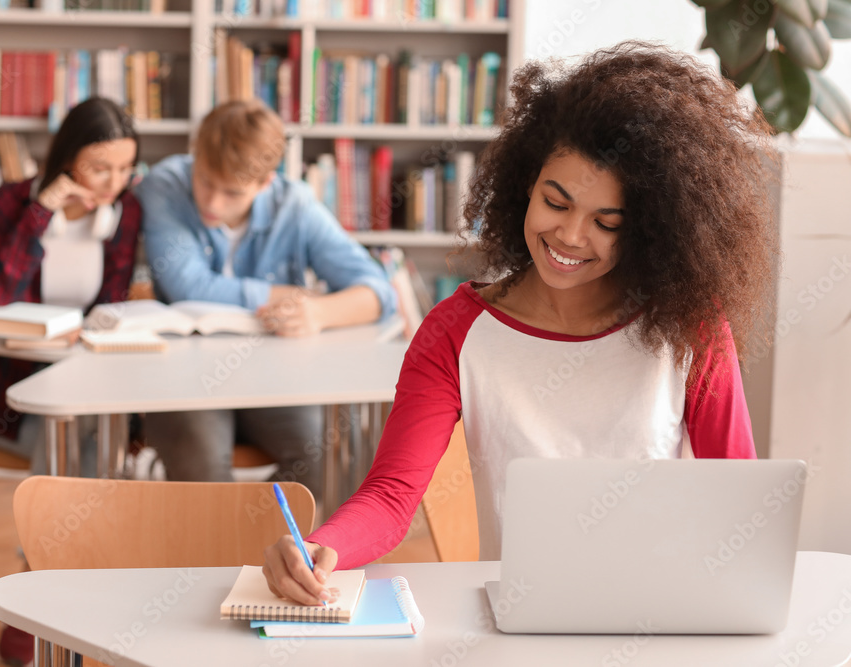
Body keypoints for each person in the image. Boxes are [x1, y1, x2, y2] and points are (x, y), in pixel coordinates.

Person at [261, 41, 780, 605]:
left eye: (606, 222)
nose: (570, 237)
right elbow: (392, 496)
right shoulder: (455, 332)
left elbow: (737, 496)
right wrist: (322, 545)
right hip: (522, 618)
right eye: (556, 202)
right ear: (525, 185)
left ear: (650, 228)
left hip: (656, 611)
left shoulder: (691, 329)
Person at [0, 97, 141, 665]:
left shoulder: (125, 212)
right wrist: (40, 212)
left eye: (126, 167)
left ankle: (39, 584)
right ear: (67, 160)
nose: (115, 182)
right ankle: (59, 595)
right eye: (100, 168)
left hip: (81, 388)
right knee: (77, 444)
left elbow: (111, 305)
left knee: (79, 430)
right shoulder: (10, 201)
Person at [136, 99, 398, 499]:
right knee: (202, 462)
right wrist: (279, 295)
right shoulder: (164, 185)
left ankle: (262, 542)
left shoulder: (295, 205)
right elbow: (187, 286)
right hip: (186, 383)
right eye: (205, 181)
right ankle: (221, 546)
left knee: (327, 451)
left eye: (231, 192)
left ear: (265, 182)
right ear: (195, 155)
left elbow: (378, 290)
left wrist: (319, 311)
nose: (212, 203)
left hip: (277, 381)